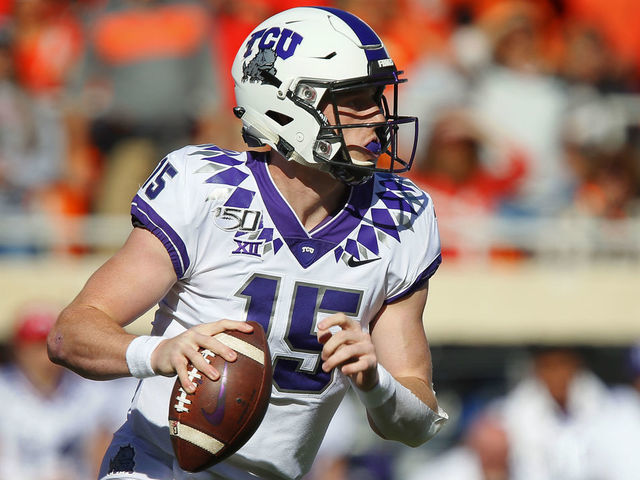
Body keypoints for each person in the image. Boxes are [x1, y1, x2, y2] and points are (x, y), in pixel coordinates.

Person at [47, 6, 448, 480]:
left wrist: (376, 383)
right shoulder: (206, 187)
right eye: (353, 101)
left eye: (376, 98)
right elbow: (70, 334)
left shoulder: (402, 215)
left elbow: (417, 424)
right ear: (286, 106)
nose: (378, 118)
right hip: (159, 466)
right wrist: (158, 353)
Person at [0, 301, 136, 480]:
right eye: (35, 347)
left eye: (49, 345)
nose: (44, 356)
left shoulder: (91, 390)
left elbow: (105, 448)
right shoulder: (4, 390)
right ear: (18, 349)